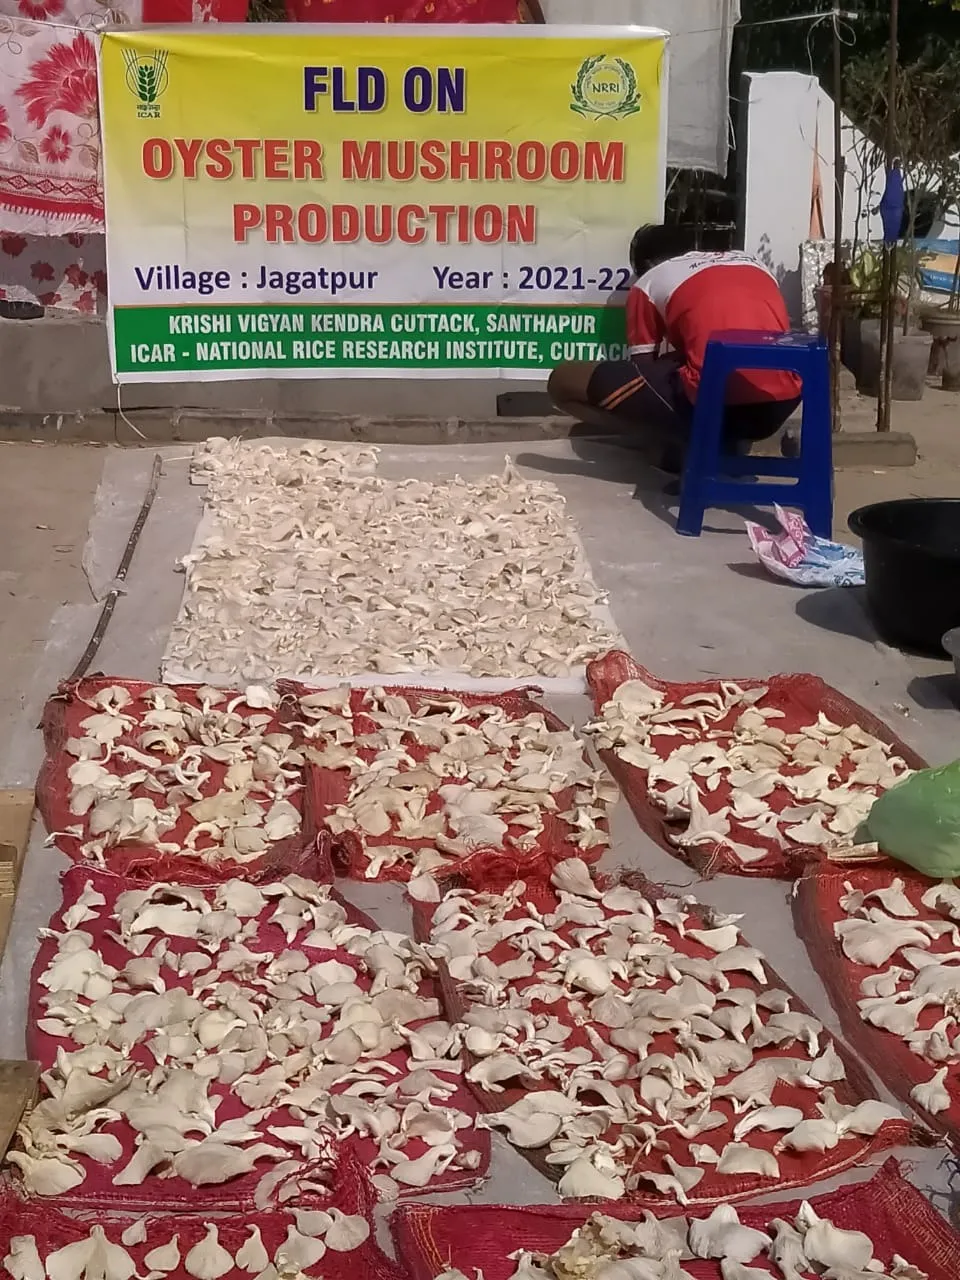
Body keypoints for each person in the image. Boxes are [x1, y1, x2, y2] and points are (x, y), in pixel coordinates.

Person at [548, 224, 802, 468]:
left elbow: (643, 368)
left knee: (563, 380)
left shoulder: (648, 282)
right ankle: (726, 444)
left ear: (648, 264)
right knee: (695, 366)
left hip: (712, 406)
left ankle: (675, 446)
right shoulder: (754, 263)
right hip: (778, 405)